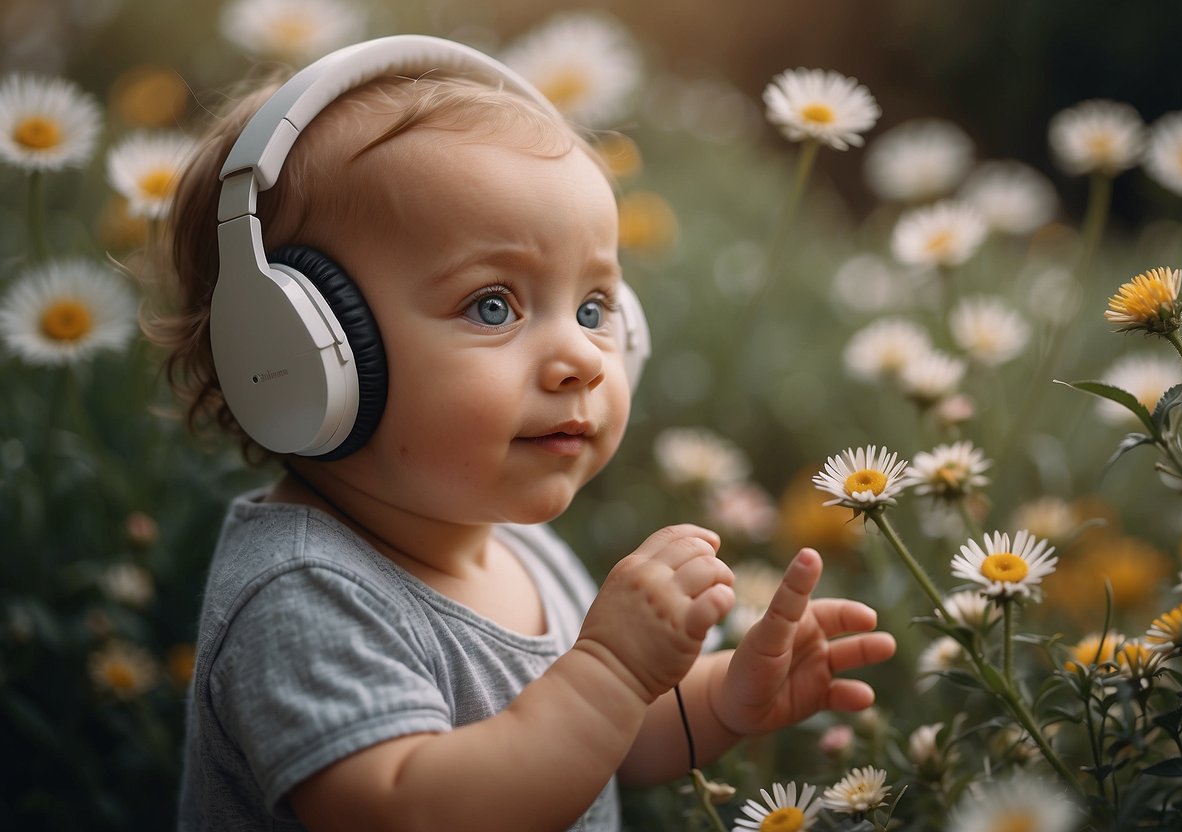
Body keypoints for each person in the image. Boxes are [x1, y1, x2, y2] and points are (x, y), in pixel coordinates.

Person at [156, 35, 897, 832]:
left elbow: (599, 746)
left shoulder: (516, 548)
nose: (580, 356)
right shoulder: (304, 595)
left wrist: (720, 696)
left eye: (593, 308)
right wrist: (609, 671)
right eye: (492, 306)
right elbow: (414, 811)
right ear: (296, 350)